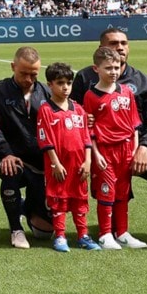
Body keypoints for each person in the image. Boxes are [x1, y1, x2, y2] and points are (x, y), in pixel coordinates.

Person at [69, 28, 147, 248]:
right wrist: (83, 123)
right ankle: (60, 214)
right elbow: (70, 112)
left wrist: (143, 147)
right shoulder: (85, 79)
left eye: (124, 42)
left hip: (134, 148)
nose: (120, 47)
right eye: (114, 44)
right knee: (104, 197)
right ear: (100, 50)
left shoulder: (141, 82)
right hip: (99, 148)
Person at [0, 46, 52, 248]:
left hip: (42, 163)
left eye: (33, 74)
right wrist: (5, 154)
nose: (28, 79)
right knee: (10, 171)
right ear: (13, 66)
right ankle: (16, 228)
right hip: (14, 158)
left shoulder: (47, 92)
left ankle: (25, 205)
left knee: (44, 233)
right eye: (23, 73)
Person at [84, 48, 146, 249]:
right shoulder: (91, 96)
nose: (113, 71)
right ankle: (105, 234)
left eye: (116, 67)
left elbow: (134, 123)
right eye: (108, 68)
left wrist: (135, 149)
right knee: (106, 191)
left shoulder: (127, 92)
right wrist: (96, 153)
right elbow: (88, 129)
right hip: (105, 151)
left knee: (123, 192)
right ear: (96, 69)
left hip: (126, 149)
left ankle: (122, 231)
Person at [36, 62, 96, 252]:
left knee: (79, 201)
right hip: (60, 166)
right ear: (50, 85)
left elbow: (86, 137)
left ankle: (83, 235)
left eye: (69, 83)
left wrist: (88, 161)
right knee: (60, 201)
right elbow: (45, 139)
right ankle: (60, 236)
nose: (65, 87)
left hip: (79, 165)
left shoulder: (78, 109)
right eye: (60, 83)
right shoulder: (46, 110)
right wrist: (55, 163)